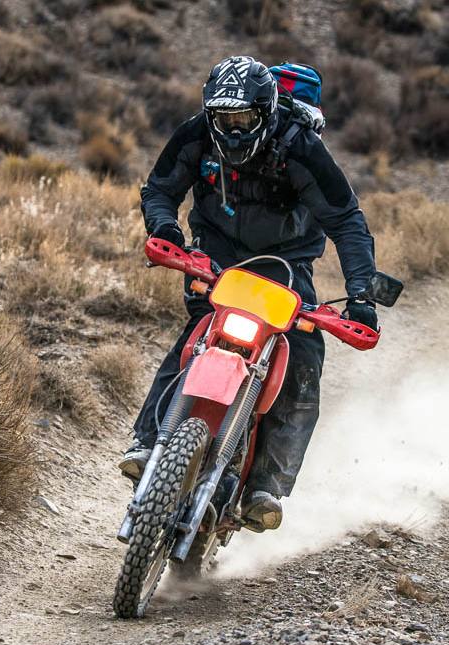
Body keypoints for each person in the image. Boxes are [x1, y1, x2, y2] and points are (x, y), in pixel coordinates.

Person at [119, 56, 377, 532]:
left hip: (285, 266)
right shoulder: (197, 134)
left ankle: (266, 486)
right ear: (211, 113)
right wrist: (164, 230)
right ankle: (147, 441)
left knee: (302, 356)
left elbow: (345, 221)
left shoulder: (299, 147)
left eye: (243, 118)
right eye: (225, 118)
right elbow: (160, 188)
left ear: (266, 110)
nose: (233, 129)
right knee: (195, 338)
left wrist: (361, 293)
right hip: (214, 258)